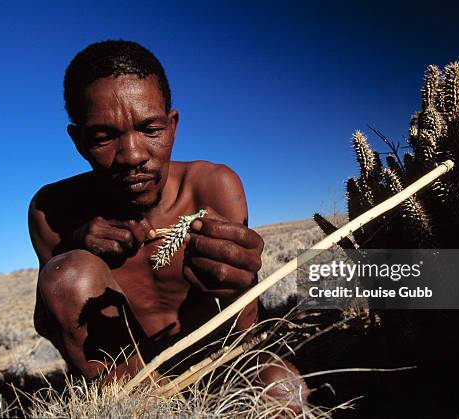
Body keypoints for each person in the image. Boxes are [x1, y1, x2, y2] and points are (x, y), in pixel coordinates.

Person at [29, 40, 307, 407]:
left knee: (283, 390)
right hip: (128, 385)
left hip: (222, 365)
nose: (132, 155)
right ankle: (141, 408)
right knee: (68, 273)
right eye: (103, 137)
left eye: (150, 129)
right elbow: (50, 323)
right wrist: (74, 248)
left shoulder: (212, 187)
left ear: (172, 126)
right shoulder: (54, 211)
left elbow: (246, 328)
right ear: (79, 141)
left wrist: (240, 287)